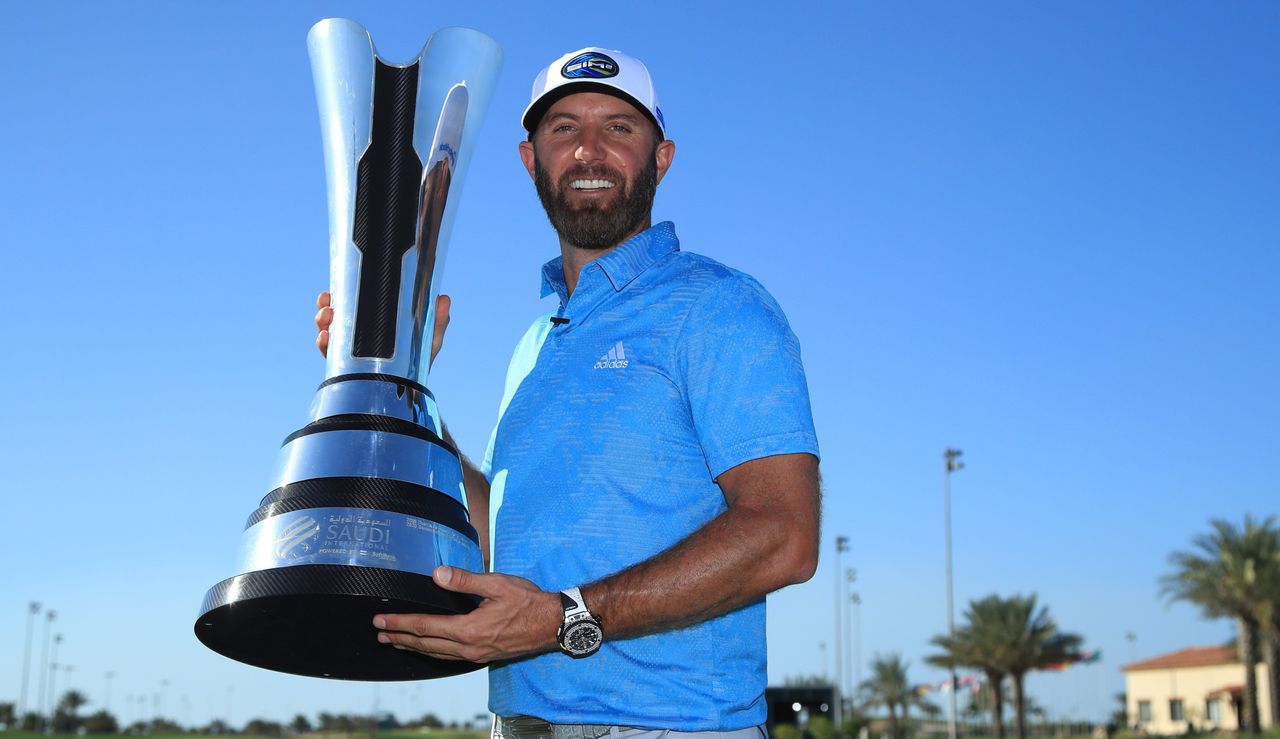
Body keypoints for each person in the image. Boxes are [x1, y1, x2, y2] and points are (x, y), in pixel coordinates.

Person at [316, 47, 821, 738]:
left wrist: (565, 617)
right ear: (531, 159)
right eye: (564, 129)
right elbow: (497, 532)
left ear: (661, 157)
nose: (590, 149)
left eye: (619, 127)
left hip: (670, 726)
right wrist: (400, 381)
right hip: (520, 724)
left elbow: (784, 535)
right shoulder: (535, 345)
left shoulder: (719, 307)